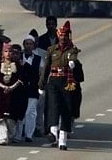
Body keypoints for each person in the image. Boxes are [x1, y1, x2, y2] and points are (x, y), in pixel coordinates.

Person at [39, 20, 82, 151]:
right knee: (53, 107)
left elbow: (73, 57)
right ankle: (53, 133)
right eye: (61, 35)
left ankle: (63, 139)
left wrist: (72, 64)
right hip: (53, 82)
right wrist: (41, 84)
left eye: (65, 35)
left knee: (66, 110)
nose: (63, 38)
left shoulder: (72, 49)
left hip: (67, 82)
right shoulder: (52, 50)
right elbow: (46, 68)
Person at [0, 43, 25, 145]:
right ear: (2, 53)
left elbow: (21, 79)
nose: (8, 54)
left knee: (11, 120)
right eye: (6, 51)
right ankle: (2, 137)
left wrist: (11, 87)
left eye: (10, 52)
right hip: (0, 95)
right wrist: (3, 87)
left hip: (13, 95)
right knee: (0, 118)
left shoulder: (18, 66)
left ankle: (9, 135)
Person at [13, 34, 41, 143]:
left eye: (31, 44)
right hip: (21, 89)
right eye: (27, 44)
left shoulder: (38, 59)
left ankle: (29, 134)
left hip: (33, 89)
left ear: (34, 46)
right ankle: (18, 135)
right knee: (21, 112)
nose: (28, 46)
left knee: (31, 112)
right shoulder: (18, 56)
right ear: (24, 45)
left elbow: (39, 73)